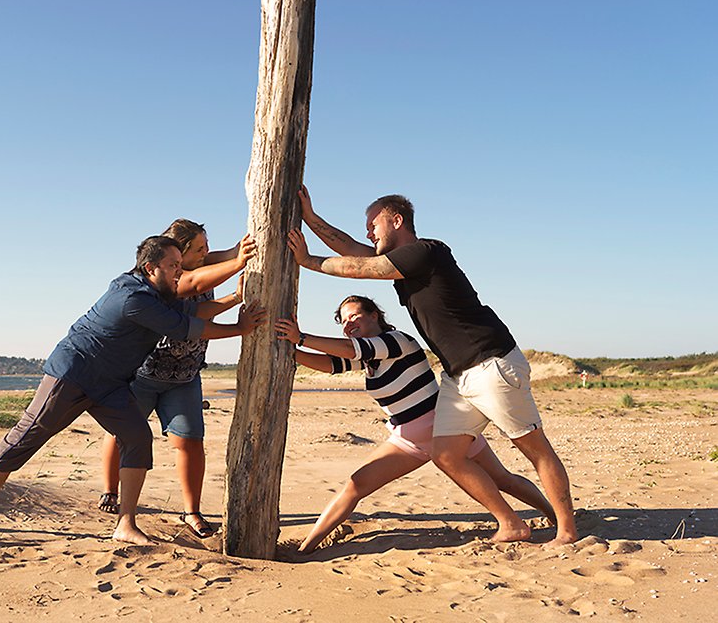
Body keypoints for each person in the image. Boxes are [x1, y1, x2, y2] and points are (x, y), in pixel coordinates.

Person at [288, 185, 578, 546]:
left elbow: (363, 267)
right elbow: (353, 251)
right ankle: (512, 524)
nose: (368, 232)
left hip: (490, 362)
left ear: (397, 220)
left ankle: (567, 530)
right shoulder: (402, 265)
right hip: (457, 377)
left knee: (534, 450)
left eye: (372, 223)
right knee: (446, 456)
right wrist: (311, 218)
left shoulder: (427, 252)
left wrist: (309, 262)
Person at [0, 235, 266, 545]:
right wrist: (240, 328)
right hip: (72, 374)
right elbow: (187, 326)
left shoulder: (157, 291)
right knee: (25, 438)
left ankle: (126, 524)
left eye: (180, 264)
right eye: (173, 266)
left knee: (136, 437)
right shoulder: (134, 298)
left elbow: (191, 308)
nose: (180, 271)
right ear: (150, 268)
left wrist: (233, 299)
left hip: (111, 384)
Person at [276, 295, 554, 553]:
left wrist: (300, 337)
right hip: (407, 438)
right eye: (344, 321)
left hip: (445, 429)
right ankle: (306, 549)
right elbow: (331, 364)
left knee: (501, 478)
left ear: (374, 315)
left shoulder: (397, 341)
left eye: (355, 317)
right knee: (355, 485)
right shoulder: (370, 359)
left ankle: (549, 514)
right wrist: (288, 349)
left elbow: (350, 350)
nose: (349, 324)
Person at [98, 220, 254, 538]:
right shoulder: (168, 277)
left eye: (206, 246)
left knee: (190, 441)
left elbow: (235, 250)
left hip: (185, 374)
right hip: (143, 372)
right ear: (177, 255)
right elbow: (193, 298)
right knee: (119, 434)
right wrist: (233, 295)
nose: (207, 252)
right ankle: (110, 492)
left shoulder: (202, 261)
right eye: (199, 248)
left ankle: (191, 511)